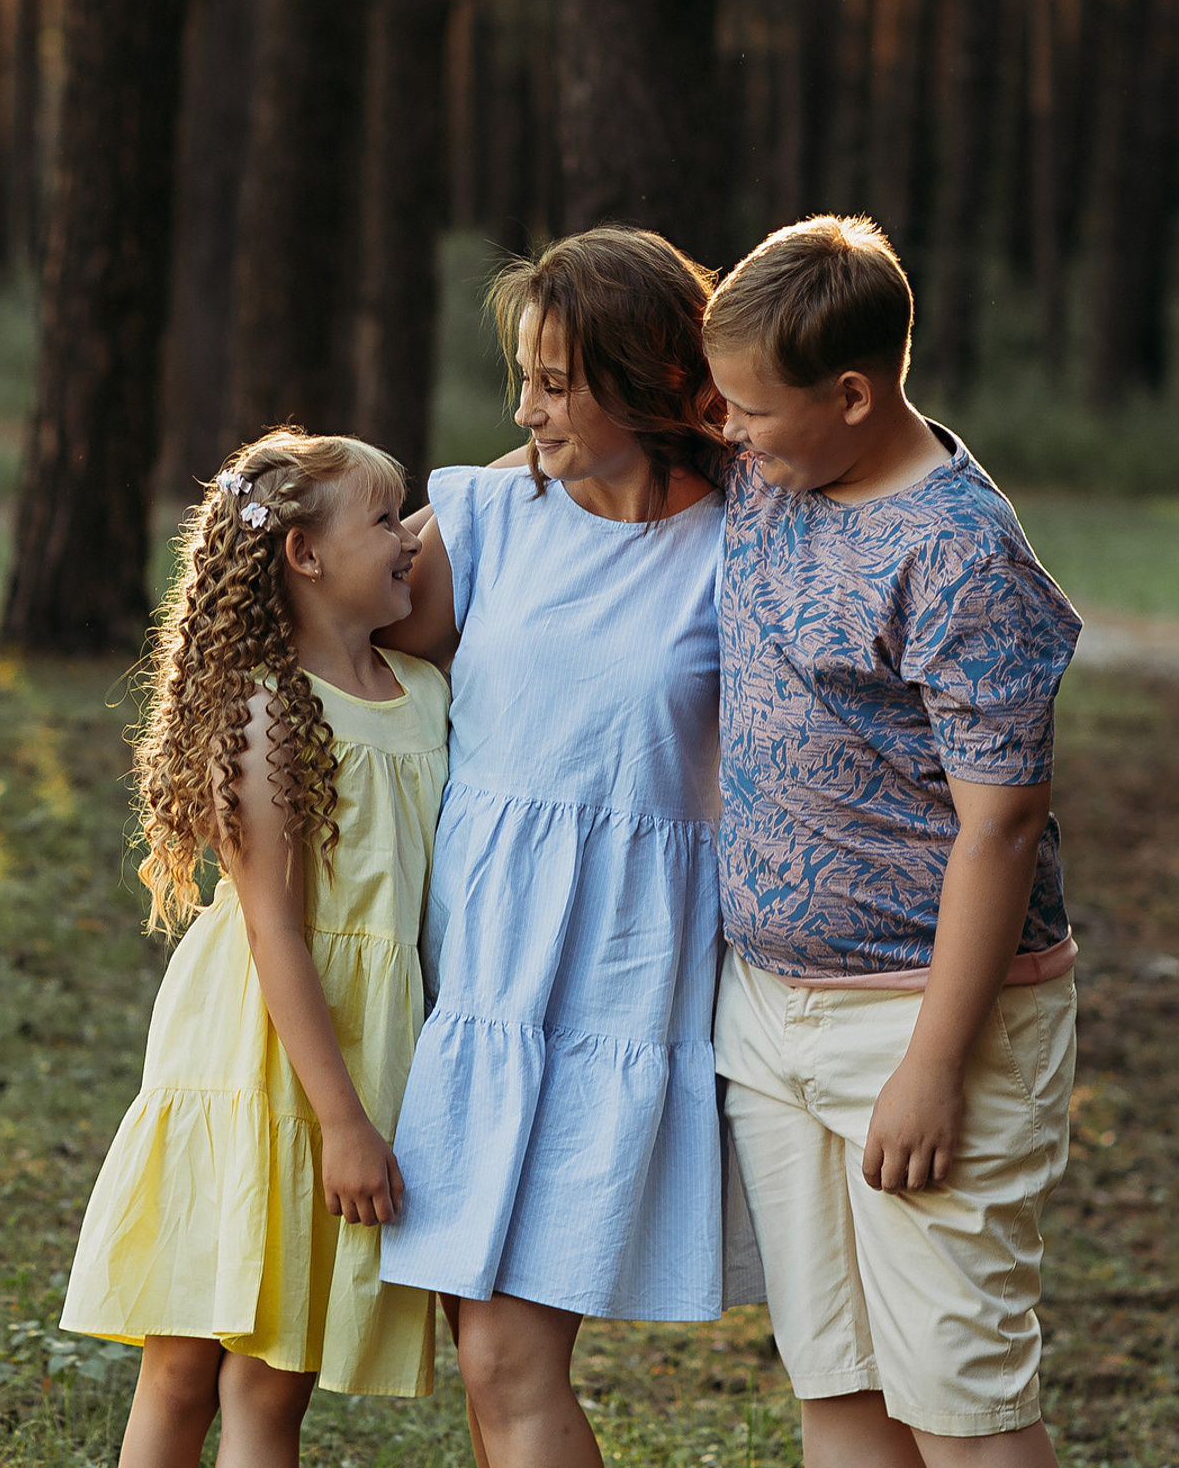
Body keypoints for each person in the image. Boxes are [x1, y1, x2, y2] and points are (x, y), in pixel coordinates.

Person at [377, 228, 761, 1468]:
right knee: (487, 1358)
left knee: (506, 1360)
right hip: (476, 978)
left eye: (555, 382)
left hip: (617, 981)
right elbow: (345, 632)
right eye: (524, 378)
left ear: (647, 378)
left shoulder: (743, 545)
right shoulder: (493, 512)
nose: (525, 407)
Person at [703, 214, 1080, 1468]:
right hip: (770, 1012)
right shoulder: (776, 467)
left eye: (751, 410)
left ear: (853, 394)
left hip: (924, 1022)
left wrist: (932, 1065)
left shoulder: (962, 552)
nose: (730, 433)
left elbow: (1004, 825)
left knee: (960, 1408)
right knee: (840, 1389)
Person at [60, 430, 450, 1468]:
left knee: (276, 1384)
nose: (412, 539)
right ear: (306, 556)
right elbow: (276, 925)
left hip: (366, 1045)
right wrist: (344, 1125)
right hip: (254, 1051)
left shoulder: (427, 693)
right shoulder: (270, 713)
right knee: (183, 1368)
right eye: (385, 519)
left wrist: (530, 457)